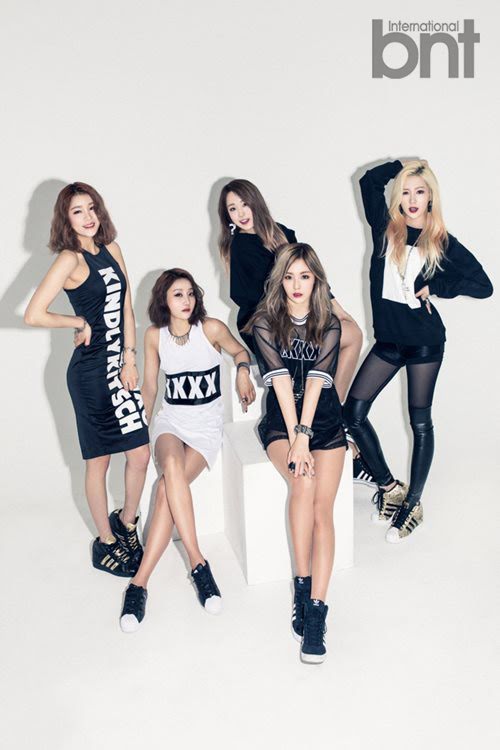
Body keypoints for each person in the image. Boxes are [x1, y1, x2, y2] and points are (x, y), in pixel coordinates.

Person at [344, 159, 493, 543]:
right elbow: (368, 181)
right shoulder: (385, 228)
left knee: (420, 422)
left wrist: (439, 287)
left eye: (420, 191)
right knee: (353, 414)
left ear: (430, 197)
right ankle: (389, 487)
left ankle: (413, 503)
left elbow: (483, 285)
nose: (412, 199)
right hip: (389, 342)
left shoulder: (441, 240)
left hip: (425, 343)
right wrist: (404, 165)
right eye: (406, 191)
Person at [24, 182, 150, 575]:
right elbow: (33, 314)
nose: (88, 216)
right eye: (77, 211)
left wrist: (131, 358)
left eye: (92, 207)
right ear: (66, 219)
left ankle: (126, 523)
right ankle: (106, 543)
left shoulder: (112, 249)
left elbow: (126, 307)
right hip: (91, 375)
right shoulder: (69, 259)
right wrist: (77, 320)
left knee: (140, 454)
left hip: (119, 368)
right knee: (99, 462)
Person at [119, 268, 255, 632]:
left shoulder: (210, 328)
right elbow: (151, 387)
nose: (187, 300)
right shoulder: (154, 335)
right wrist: (139, 431)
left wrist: (242, 371)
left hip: (205, 429)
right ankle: (198, 563)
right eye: (178, 294)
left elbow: (239, 350)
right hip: (171, 423)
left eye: (190, 293)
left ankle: (138, 583)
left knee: (167, 487)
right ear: (164, 299)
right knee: (172, 468)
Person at [217, 178, 371, 485]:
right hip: (262, 320)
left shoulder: (282, 232)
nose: (241, 213)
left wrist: (339, 311)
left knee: (353, 334)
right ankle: (319, 428)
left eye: (244, 204)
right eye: (232, 209)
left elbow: (309, 272)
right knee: (304, 359)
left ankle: (334, 414)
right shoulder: (239, 246)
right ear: (227, 217)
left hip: (297, 311)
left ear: (256, 202)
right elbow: (245, 298)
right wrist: (285, 316)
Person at [246, 243, 347, 664]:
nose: (296, 284)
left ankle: (317, 611)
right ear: (279, 280)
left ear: (316, 279)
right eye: (289, 276)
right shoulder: (266, 322)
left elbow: (320, 382)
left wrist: (308, 435)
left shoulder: (330, 324)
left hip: (325, 421)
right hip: (280, 422)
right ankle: (301, 587)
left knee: (324, 511)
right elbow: (282, 383)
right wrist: (296, 437)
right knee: (302, 482)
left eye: (304, 276)